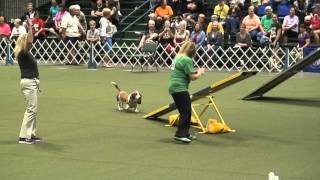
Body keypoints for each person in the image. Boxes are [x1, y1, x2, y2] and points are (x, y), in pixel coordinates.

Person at [168, 41, 205, 143]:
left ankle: (186, 133)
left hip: (173, 86)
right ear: (192, 51)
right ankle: (180, 135)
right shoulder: (187, 59)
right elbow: (193, 77)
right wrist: (200, 72)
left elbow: (186, 71)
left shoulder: (177, 57)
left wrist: (195, 71)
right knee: (186, 111)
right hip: (180, 88)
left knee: (185, 110)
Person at [15, 18, 41, 144]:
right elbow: (31, 40)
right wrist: (30, 26)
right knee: (31, 109)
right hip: (29, 83)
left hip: (32, 82)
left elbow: (30, 40)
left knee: (33, 109)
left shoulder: (25, 53)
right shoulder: (23, 53)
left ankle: (31, 133)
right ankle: (24, 137)